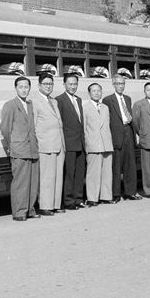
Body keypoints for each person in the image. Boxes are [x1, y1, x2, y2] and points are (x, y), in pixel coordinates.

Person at [0, 76, 40, 221]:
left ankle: (30, 209)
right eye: (21, 87)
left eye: (26, 87)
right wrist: (13, 145)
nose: (24, 89)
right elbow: (4, 128)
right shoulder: (10, 105)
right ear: (16, 88)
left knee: (32, 182)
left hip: (32, 148)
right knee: (20, 182)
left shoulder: (29, 104)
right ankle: (19, 212)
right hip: (19, 149)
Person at [103, 74, 142, 201]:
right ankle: (115, 194)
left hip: (128, 133)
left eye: (122, 84)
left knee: (130, 165)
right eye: (118, 84)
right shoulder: (108, 100)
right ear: (113, 85)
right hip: (116, 135)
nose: (120, 86)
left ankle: (130, 192)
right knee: (116, 166)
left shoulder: (128, 99)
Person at [31, 73, 66, 215]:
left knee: (58, 176)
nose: (48, 86)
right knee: (47, 177)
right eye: (45, 84)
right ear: (39, 85)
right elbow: (33, 126)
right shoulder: (34, 101)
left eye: (50, 84)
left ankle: (55, 204)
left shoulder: (54, 101)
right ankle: (45, 206)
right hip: (45, 145)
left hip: (59, 143)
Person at [55, 73, 86, 210]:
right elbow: (60, 123)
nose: (73, 86)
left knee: (80, 172)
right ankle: (68, 200)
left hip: (80, 142)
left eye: (75, 84)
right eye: (70, 84)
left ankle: (78, 198)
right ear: (64, 84)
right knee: (69, 173)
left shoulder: (79, 100)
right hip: (68, 143)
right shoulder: (59, 100)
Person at [82, 83, 114, 206]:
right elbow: (84, 128)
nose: (96, 93)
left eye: (98, 91)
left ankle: (106, 196)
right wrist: (87, 144)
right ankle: (92, 197)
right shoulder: (85, 108)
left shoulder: (105, 107)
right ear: (89, 93)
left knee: (107, 172)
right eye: (93, 91)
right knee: (93, 173)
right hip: (93, 144)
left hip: (106, 143)